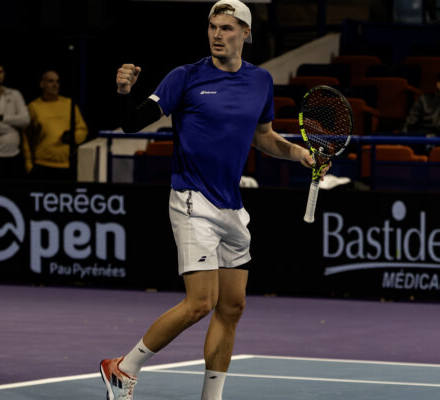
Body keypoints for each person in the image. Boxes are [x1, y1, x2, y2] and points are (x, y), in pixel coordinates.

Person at [99, 1, 320, 399]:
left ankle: (211, 397)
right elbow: (132, 122)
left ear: (245, 34)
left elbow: (263, 136)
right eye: (212, 27)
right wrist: (122, 91)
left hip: (232, 206)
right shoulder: (184, 77)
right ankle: (123, 368)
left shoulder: (261, 81)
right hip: (191, 199)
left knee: (232, 307)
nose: (217, 34)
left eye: (227, 28)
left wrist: (296, 153)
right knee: (201, 303)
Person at [23, 70, 88, 180]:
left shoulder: (69, 104)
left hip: (66, 165)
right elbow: (26, 137)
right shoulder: (33, 107)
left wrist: (72, 137)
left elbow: (82, 129)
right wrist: (28, 164)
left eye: (57, 81)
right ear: (42, 84)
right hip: (42, 165)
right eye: (50, 81)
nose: (55, 85)